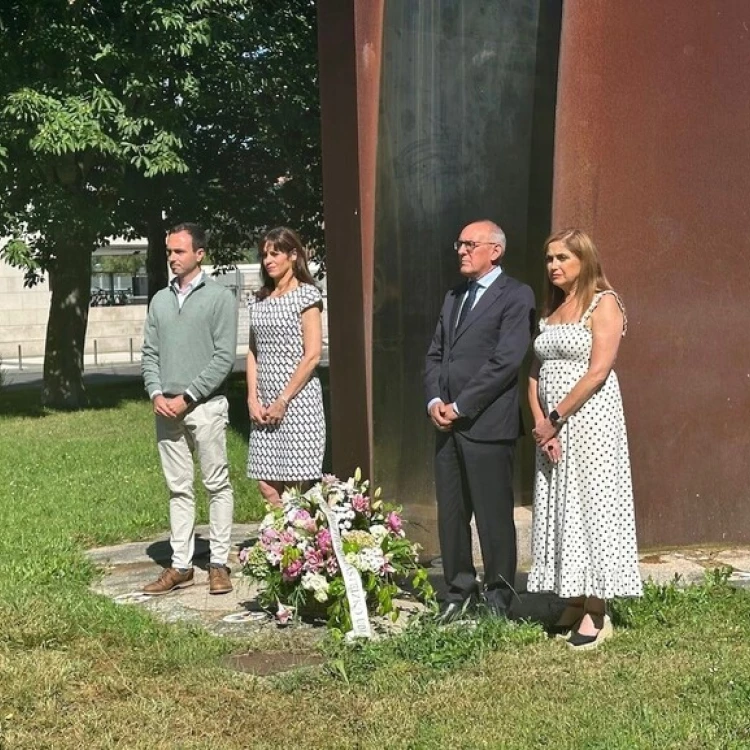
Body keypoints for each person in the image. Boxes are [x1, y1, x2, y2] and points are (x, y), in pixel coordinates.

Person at [527, 228, 642, 650]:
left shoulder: (603, 303)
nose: (554, 266)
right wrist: (541, 422)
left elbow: (597, 371)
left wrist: (556, 416)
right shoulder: (554, 309)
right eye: (550, 259)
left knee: (591, 506)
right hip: (552, 428)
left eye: (563, 258)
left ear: (584, 260)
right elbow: (535, 372)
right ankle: (574, 597)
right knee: (561, 505)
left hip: (589, 422)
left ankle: (598, 610)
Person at [424, 220, 535, 622]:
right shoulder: (454, 296)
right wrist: (436, 400)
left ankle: (499, 595)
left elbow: (506, 362)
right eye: (460, 243)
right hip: (446, 425)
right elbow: (436, 354)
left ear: (496, 250)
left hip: (487, 425)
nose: (461, 250)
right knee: (452, 513)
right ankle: (458, 589)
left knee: (492, 516)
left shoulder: (516, 295)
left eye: (470, 244)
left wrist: (461, 406)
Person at [141, 223, 238, 596]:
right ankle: (181, 566)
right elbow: (150, 354)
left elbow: (223, 357)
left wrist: (189, 397)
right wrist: (155, 394)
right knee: (178, 488)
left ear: (199, 254)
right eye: (169, 251)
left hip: (205, 406)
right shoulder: (160, 300)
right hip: (166, 408)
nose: (172, 258)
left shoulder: (219, 298)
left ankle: (218, 563)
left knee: (217, 484)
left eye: (179, 252)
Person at [246, 227, 325, 506]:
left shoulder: (306, 296)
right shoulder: (259, 301)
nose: (268, 260)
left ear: (293, 255)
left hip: (297, 402)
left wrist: (283, 399)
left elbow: (313, 354)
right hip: (264, 403)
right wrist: (252, 397)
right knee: (267, 485)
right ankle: (280, 544)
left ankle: (300, 545)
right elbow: (253, 352)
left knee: (295, 487)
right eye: (264, 254)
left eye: (274, 253)